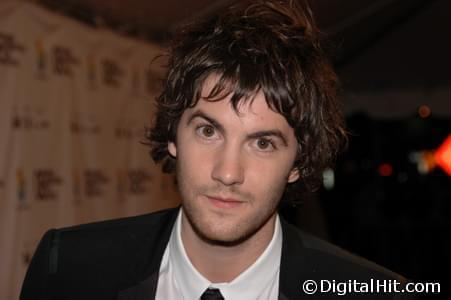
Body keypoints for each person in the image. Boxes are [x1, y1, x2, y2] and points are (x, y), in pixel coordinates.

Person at [21, 1, 411, 299]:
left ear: (298, 161)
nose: (227, 172)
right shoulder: (68, 269)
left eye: (262, 143)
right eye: (209, 131)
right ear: (172, 135)